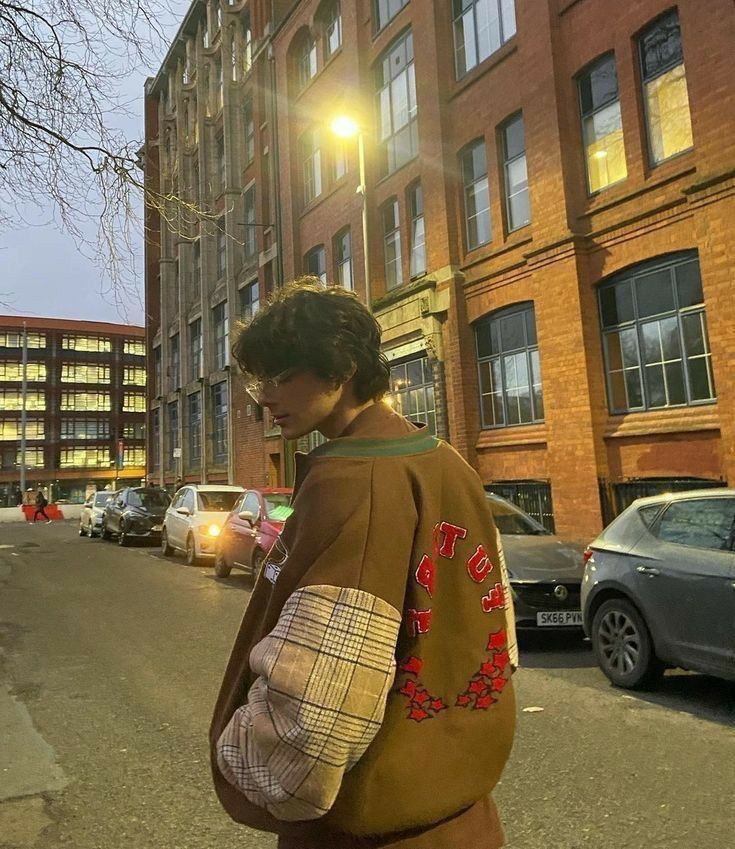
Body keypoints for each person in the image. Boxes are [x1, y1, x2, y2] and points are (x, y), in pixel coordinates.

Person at [210, 280, 518, 849]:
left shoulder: (354, 480)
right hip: (464, 812)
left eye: (283, 377)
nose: (265, 397)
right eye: (260, 380)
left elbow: (318, 711)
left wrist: (243, 752)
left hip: (368, 825)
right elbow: (496, 622)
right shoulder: (446, 462)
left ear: (342, 366)